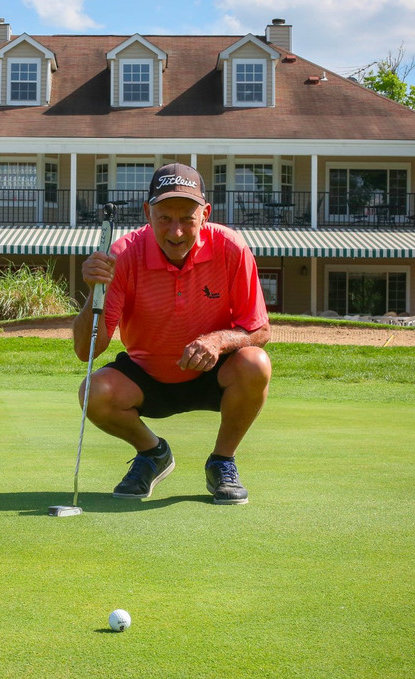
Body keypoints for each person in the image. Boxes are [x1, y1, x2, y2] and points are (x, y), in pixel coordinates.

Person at [73, 162, 272, 504]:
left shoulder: (231, 248)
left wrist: (219, 340)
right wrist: (95, 291)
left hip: (214, 372)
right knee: (94, 391)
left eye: (187, 219)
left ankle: (222, 461)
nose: (176, 231)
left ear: (205, 214)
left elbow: (260, 329)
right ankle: (153, 454)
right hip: (147, 376)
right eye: (165, 218)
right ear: (147, 212)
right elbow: (86, 350)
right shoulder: (123, 254)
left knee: (256, 363)